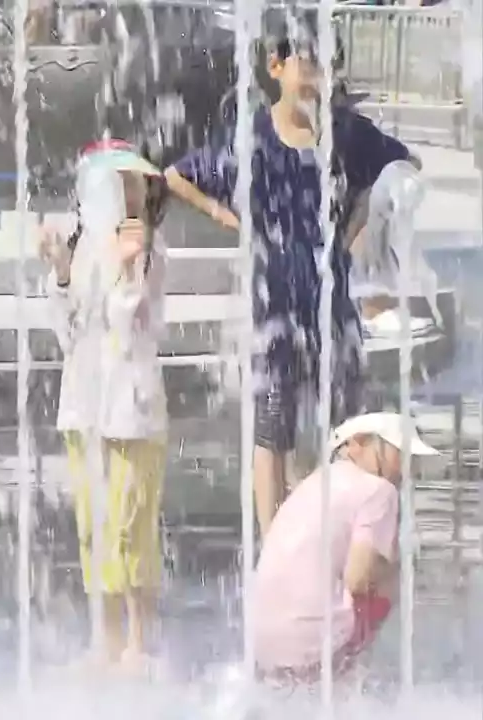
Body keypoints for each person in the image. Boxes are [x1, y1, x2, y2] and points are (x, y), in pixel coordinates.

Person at [164, 19, 420, 536]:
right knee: (273, 426)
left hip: (332, 302)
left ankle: (337, 531)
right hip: (276, 301)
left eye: (326, 63)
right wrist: (228, 219)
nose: (317, 75)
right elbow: (176, 176)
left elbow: (405, 163)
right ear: (275, 66)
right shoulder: (253, 136)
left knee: (345, 422)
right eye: (306, 61)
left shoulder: (345, 132)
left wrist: (363, 214)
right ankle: (275, 541)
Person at [40, 140, 170, 670]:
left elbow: (131, 323)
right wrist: (63, 271)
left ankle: (138, 640)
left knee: (131, 524)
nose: (130, 192)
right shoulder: (85, 249)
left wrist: (128, 270)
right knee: (94, 525)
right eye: (118, 183)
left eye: (136, 182)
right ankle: (106, 637)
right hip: (84, 406)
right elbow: (68, 334)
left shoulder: (152, 252)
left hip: (132, 412)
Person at [251, 412, 437, 684]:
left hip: (262, 643)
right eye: (401, 453)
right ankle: (343, 681)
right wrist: (398, 566)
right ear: (358, 443)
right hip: (311, 645)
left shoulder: (317, 480)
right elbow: (358, 578)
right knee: (394, 576)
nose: (407, 469)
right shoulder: (380, 491)